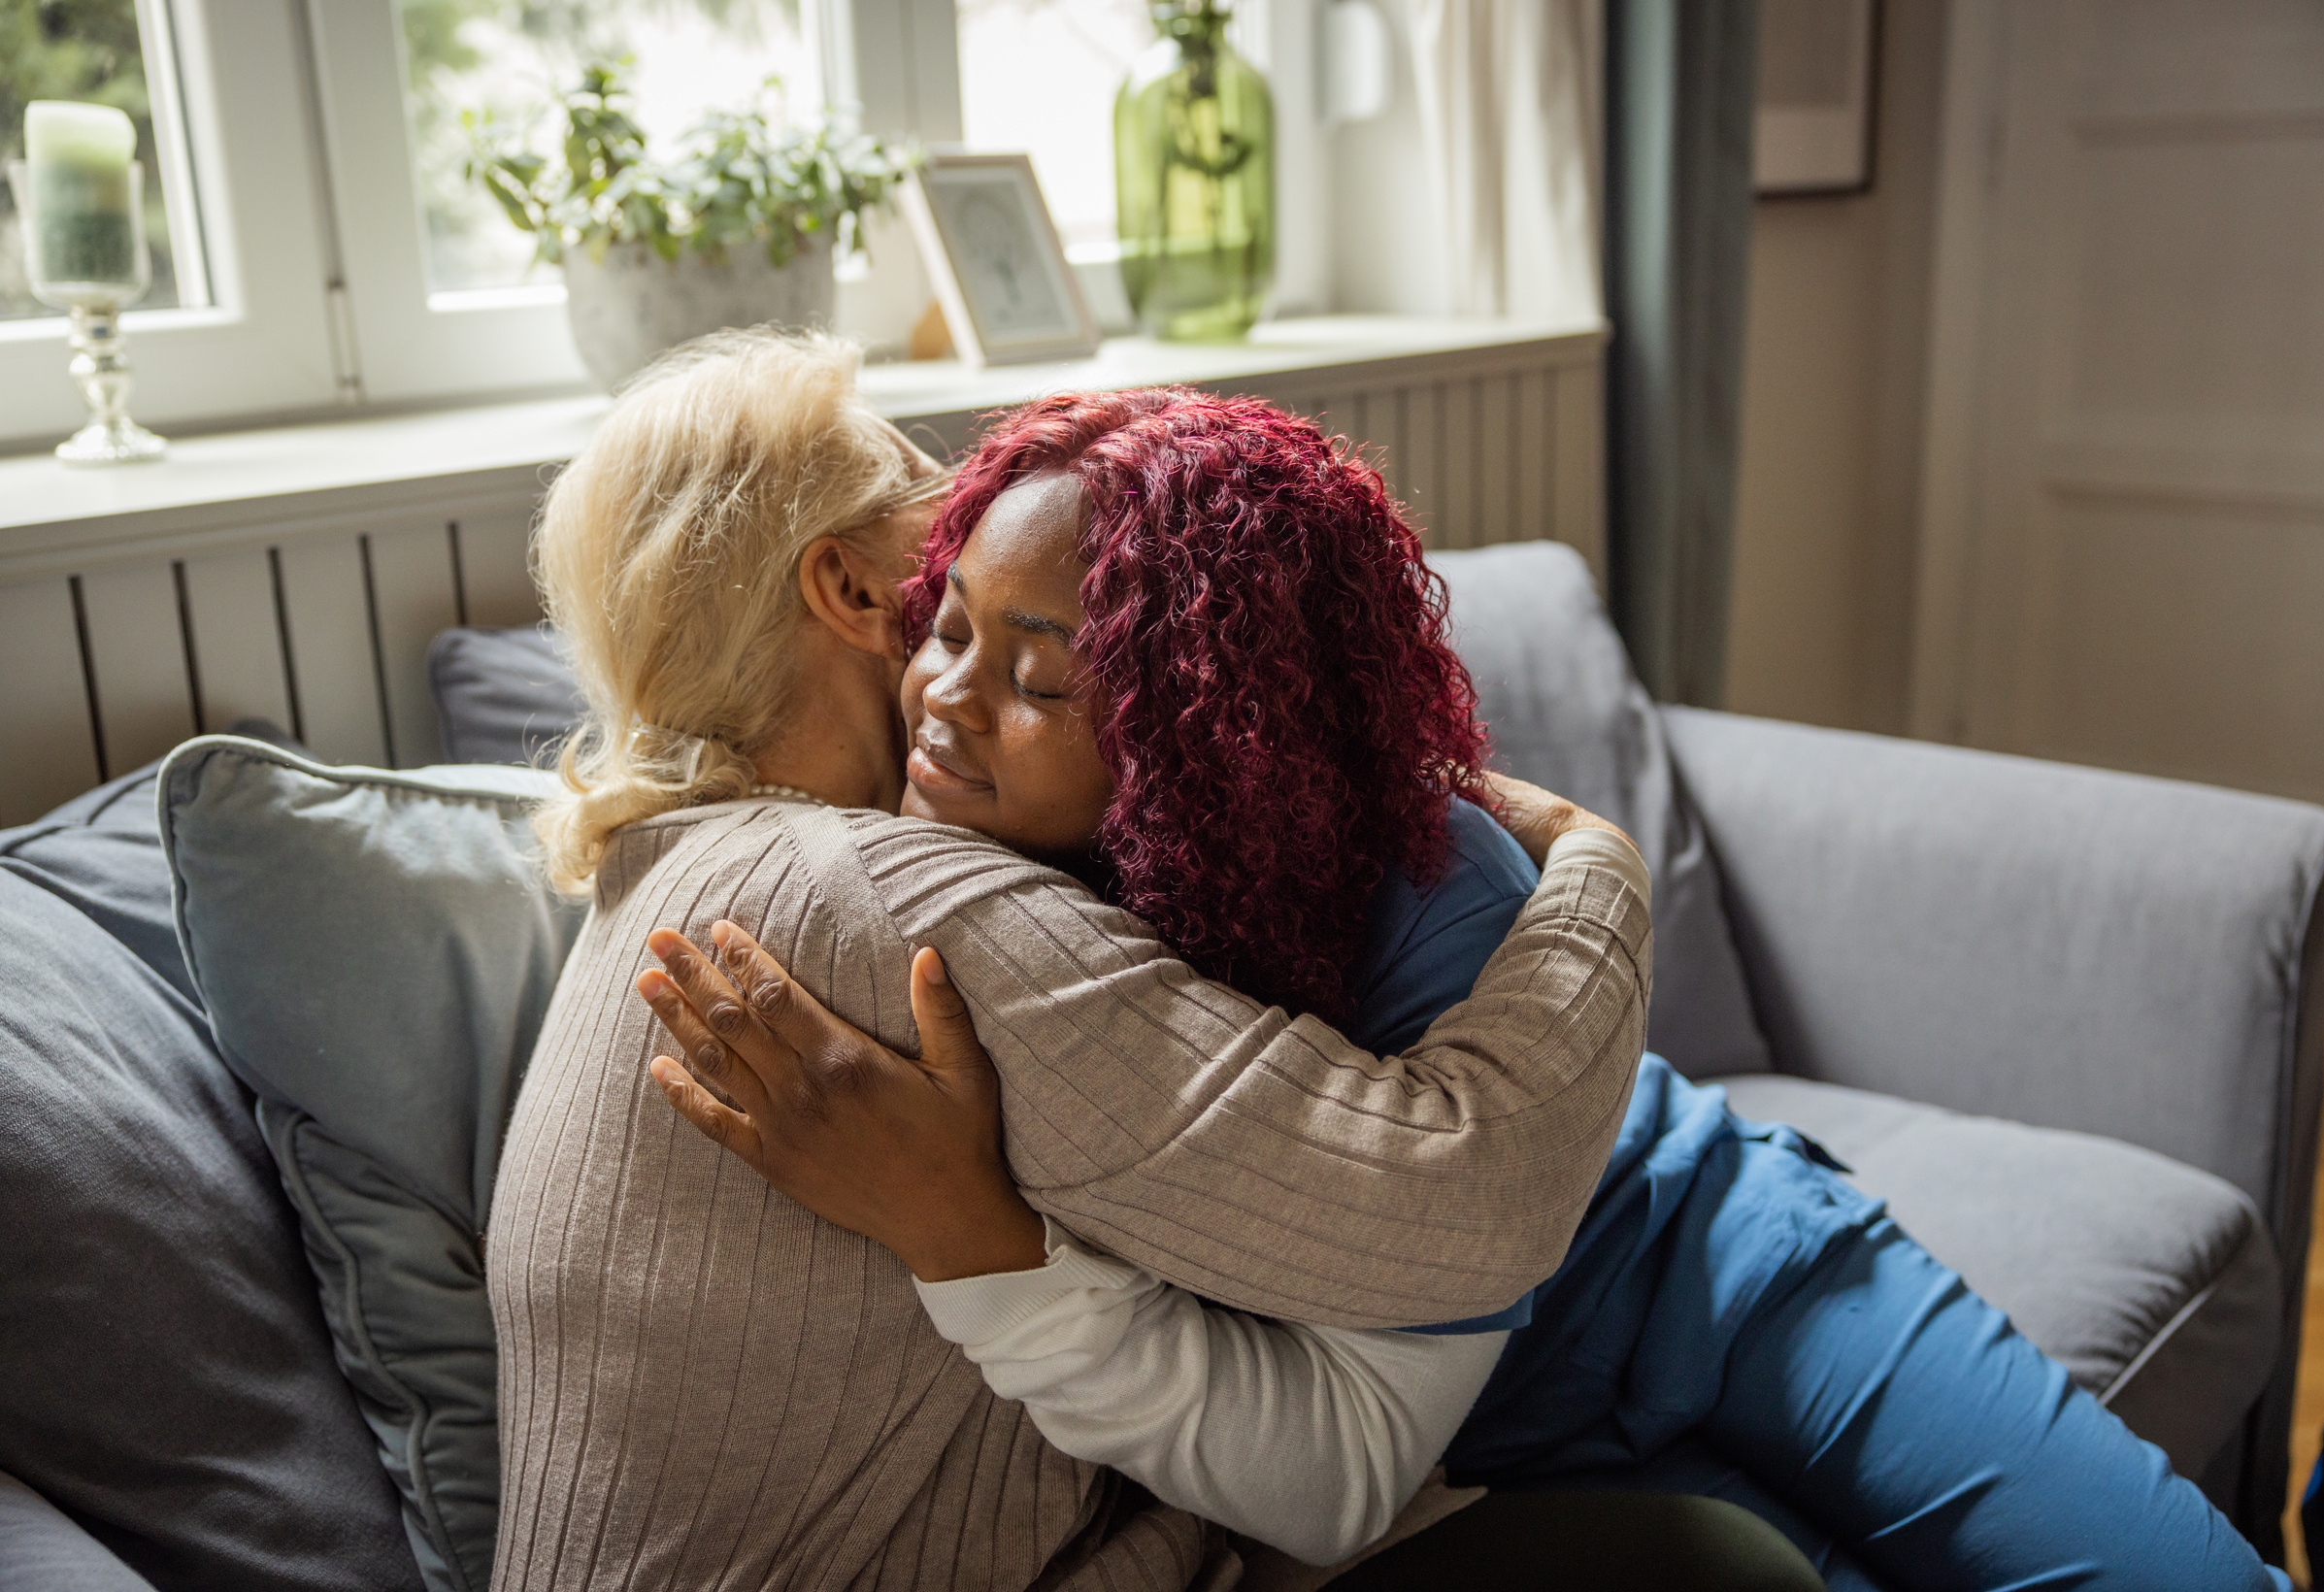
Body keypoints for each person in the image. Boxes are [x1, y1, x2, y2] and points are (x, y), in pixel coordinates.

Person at [641, 382, 2295, 1592]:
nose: (944, 699)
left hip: (1708, 1274)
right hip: (1497, 1439)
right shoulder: (939, 855)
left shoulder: (1436, 893)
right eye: (948, 629)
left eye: (1040, 678)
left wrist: (971, 1246)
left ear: (1198, 729)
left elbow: (1339, 1465)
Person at [488, 330, 1794, 1592]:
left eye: (1045, 671)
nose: (963, 519)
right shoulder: (884, 898)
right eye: (937, 569)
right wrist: (1598, 868)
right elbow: (1461, 1201)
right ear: (853, 590)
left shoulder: (655, 874)